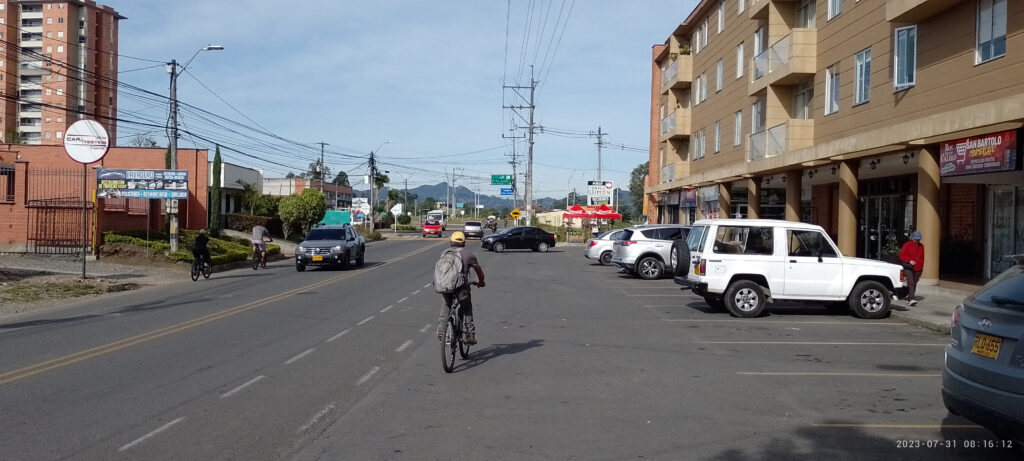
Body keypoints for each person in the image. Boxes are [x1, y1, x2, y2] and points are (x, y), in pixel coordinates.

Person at [437, 231, 485, 345]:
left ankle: (441, 332)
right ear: (464, 243)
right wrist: (481, 282)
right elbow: (480, 273)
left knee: (446, 307)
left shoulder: (444, 253)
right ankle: (470, 335)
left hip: (445, 286)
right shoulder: (468, 255)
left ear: (451, 242)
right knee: (466, 308)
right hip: (461, 288)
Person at [899, 230, 925, 306]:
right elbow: (901, 255)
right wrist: (909, 260)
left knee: (914, 283)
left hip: (918, 268)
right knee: (911, 282)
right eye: (916, 239)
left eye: (918, 239)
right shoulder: (907, 245)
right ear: (912, 238)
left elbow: (922, 258)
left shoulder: (921, 246)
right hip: (908, 267)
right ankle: (911, 299)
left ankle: (904, 295)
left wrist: (921, 268)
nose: (917, 240)